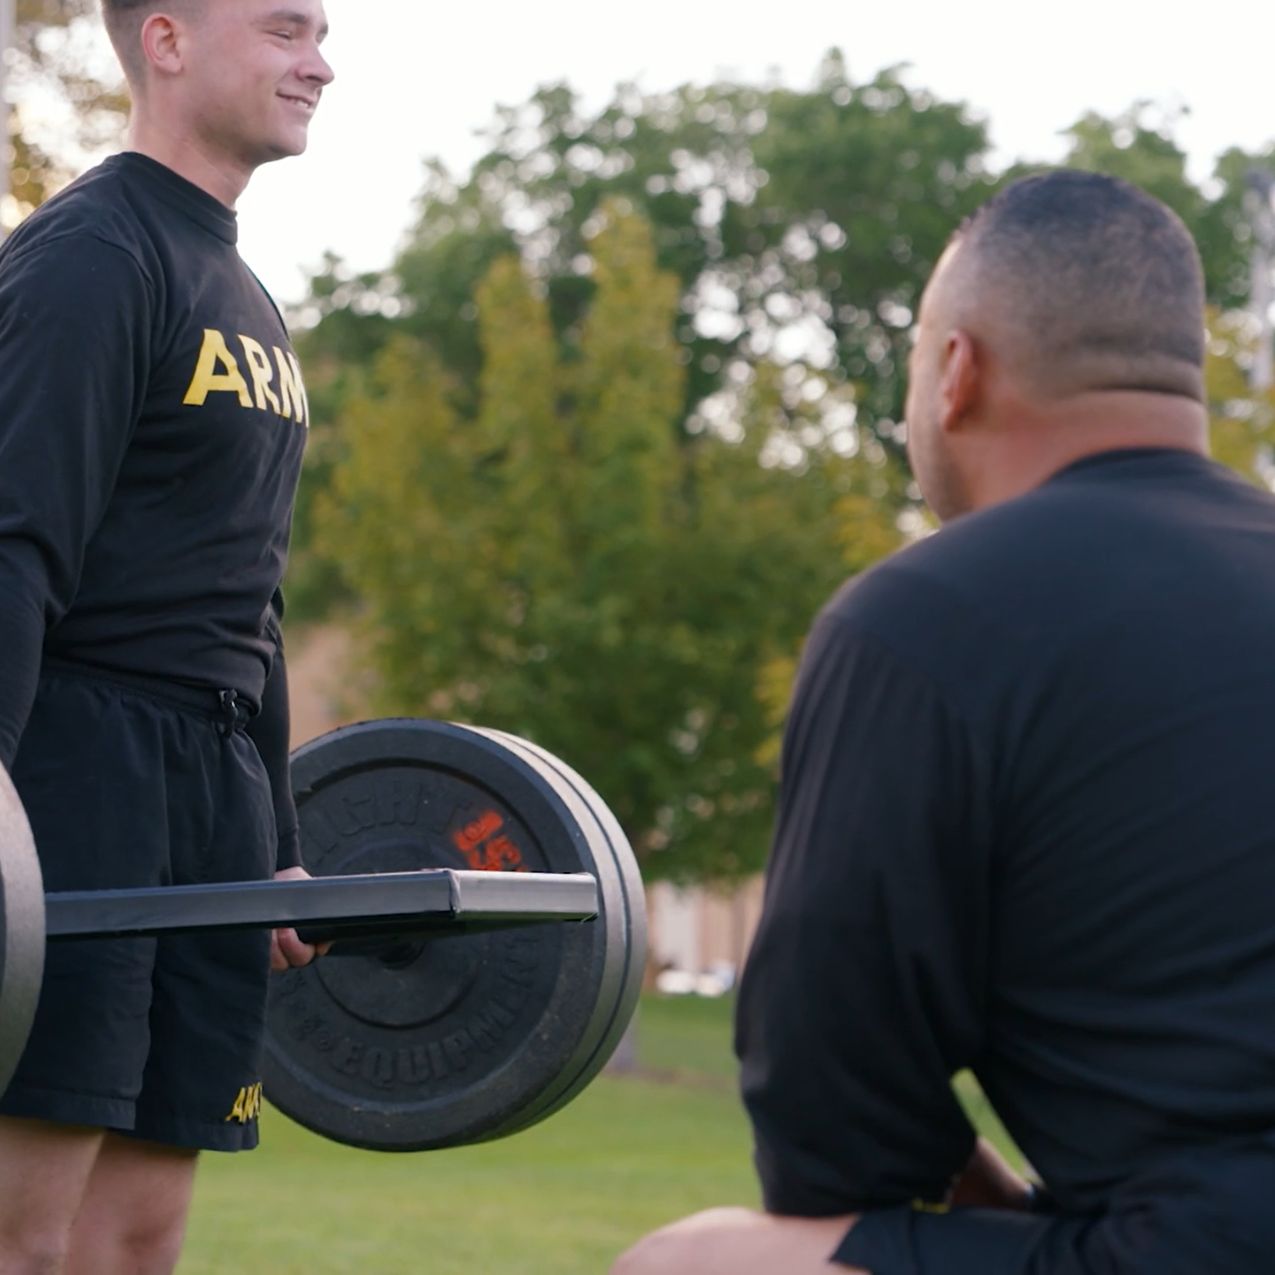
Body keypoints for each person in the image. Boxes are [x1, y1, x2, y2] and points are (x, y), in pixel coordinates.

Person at [614, 169, 1275, 1275]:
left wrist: (1015, 1215)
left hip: (1200, 1245)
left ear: (956, 372)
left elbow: (831, 1119)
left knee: (685, 1263)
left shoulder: (923, 621)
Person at [0, 1, 333, 1270]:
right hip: (78, 783)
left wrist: (281, 851)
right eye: (284, 27)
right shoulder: (91, 255)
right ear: (169, 39)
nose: (320, 60)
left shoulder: (244, 291)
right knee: (24, 1238)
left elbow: (251, 599)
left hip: (213, 800)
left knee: (138, 1238)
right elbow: (15, 541)